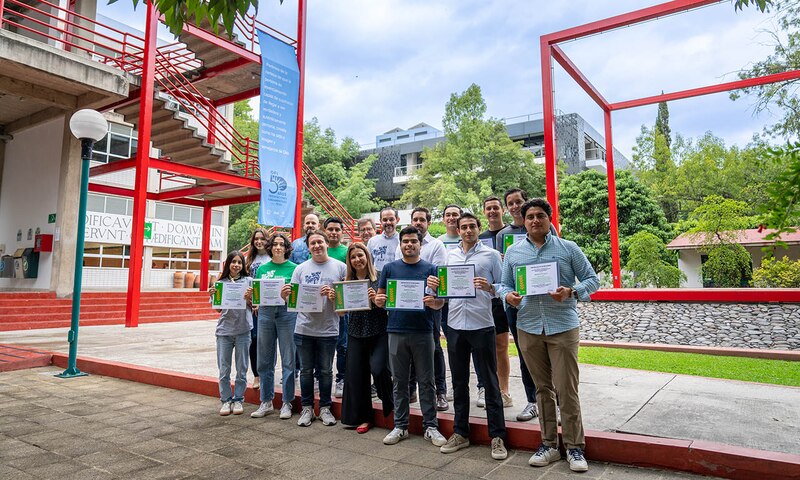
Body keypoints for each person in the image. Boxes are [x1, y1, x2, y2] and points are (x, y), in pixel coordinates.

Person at [498, 198, 599, 473]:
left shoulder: (568, 249)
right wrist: (508, 295)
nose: (534, 220)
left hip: (563, 327)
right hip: (528, 326)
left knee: (567, 389)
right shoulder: (515, 253)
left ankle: (575, 447)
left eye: (540, 216)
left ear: (549, 219)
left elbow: (593, 279)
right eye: (529, 216)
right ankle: (549, 445)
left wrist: (572, 292)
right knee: (542, 389)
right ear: (523, 220)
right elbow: (503, 284)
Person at [427, 212, 507, 460]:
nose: (468, 230)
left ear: (478, 228)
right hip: (454, 326)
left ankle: (498, 436)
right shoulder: (449, 257)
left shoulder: (492, 256)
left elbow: (504, 288)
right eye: (464, 227)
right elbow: (443, 298)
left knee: (490, 383)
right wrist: (434, 292)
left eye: (472, 226)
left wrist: (490, 287)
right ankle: (460, 433)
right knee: (459, 383)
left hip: (482, 325)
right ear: (458, 230)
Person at [375, 226, 447, 448]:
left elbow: (440, 303)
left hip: (424, 331)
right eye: (405, 241)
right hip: (396, 330)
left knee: (427, 381)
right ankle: (400, 425)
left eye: (413, 241)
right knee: (399, 381)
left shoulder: (431, 269)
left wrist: (434, 301)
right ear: (400, 244)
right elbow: (381, 298)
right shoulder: (389, 269)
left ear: (420, 244)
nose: (409, 245)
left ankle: (431, 426)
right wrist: (379, 301)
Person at [282, 230, 346, 427]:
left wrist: (337, 297)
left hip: (329, 329)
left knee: (326, 371)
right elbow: (292, 299)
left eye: (320, 242)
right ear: (308, 247)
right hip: (304, 329)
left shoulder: (341, 268)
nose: (317, 246)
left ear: (327, 243)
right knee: (307, 371)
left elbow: (346, 302)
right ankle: (307, 408)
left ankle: (325, 408)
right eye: (313, 243)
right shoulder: (300, 269)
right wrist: (286, 296)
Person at [396, 207, 449, 411]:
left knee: (434, 348)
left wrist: (419, 292)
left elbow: (435, 276)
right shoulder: (402, 243)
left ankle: (440, 392)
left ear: (428, 222)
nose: (418, 222)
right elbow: (397, 272)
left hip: (429, 306)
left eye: (422, 220)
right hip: (404, 305)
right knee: (407, 349)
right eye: (415, 219)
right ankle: (411, 389)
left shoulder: (437, 245)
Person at [495, 188, 539, 422]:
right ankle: (533, 401)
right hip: (516, 303)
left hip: (540, 300)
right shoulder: (503, 235)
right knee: (525, 354)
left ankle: (554, 402)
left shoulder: (542, 224)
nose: (514, 206)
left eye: (518, 202)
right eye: (510, 203)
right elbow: (505, 273)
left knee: (548, 354)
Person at [340, 243, 393, 434]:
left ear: (367, 256)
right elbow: (341, 313)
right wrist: (334, 300)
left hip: (379, 331)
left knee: (379, 369)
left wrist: (377, 301)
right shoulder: (346, 282)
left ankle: (390, 405)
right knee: (356, 376)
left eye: (360, 255)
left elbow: (389, 305)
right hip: (355, 332)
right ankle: (363, 418)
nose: (357, 260)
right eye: (353, 257)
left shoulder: (379, 277)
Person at [251, 233, 297, 420]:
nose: (278, 247)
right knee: (264, 358)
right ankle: (266, 401)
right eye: (275, 244)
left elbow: (297, 297)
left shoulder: (295, 269)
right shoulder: (262, 269)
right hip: (266, 314)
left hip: (287, 314)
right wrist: (254, 300)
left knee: (288, 359)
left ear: (286, 248)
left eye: (281, 244)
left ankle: (287, 402)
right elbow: (256, 294)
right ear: (270, 247)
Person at [478, 196, 513, 409]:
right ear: (484, 212)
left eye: (495, 208)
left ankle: (504, 390)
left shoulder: (511, 235)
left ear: (502, 210)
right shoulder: (479, 238)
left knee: (501, 346)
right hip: (481, 300)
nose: (492, 211)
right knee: (482, 346)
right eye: (488, 208)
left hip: (500, 298)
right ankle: (484, 387)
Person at [210, 251, 253, 416]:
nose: (236, 265)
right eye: (233, 262)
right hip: (224, 331)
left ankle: (238, 399)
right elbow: (218, 309)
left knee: (242, 369)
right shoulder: (220, 283)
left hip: (243, 330)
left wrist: (250, 298)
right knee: (224, 369)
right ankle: (226, 400)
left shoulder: (248, 282)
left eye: (239, 262)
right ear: (228, 264)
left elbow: (255, 306)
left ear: (243, 266)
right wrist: (213, 296)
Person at [244, 228, 271, 390]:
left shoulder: (272, 257)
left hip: (267, 304)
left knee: (268, 341)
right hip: (251, 305)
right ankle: (256, 375)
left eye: (262, 239)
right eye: (256, 239)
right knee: (253, 340)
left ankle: (268, 373)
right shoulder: (250, 258)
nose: (259, 241)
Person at [325, 216, 349, 397]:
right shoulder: (318, 250)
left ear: (342, 232)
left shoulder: (346, 252)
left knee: (342, 345)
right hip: (321, 308)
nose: (333, 232)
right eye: (330, 229)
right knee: (324, 344)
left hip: (341, 307)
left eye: (337, 230)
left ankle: (341, 379)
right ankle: (322, 376)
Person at [367, 207, 400, 273]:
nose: (388, 222)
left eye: (391, 219)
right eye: (385, 220)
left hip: (396, 277)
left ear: (397, 220)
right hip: (377, 279)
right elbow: (369, 264)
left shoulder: (402, 241)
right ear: (380, 221)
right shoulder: (372, 241)